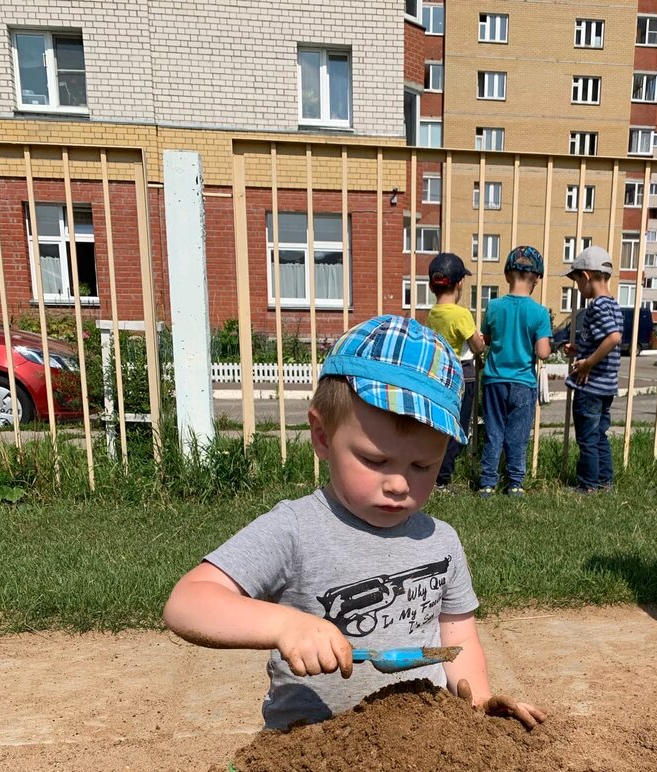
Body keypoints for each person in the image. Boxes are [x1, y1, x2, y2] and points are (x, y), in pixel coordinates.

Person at [164, 314, 546, 730]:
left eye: (423, 465)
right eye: (373, 460)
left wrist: (480, 699)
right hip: (307, 752)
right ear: (323, 436)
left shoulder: (441, 542)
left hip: (424, 747)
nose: (399, 483)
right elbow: (188, 602)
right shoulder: (296, 530)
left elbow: (457, 641)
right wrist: (284, 625)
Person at [478, 245, 552, 497]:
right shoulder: (539, 312)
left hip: (494, 380)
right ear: (537, 279)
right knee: (517, 436)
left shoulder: (494, 307)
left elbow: (486, 339)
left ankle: (487, 483)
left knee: (493, 432)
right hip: (523, 383)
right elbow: (542, 352)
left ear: (507, 275)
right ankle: (515, 483)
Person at [563, 246, 623, 494]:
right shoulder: (613, 305)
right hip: (607, 386)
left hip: (591, 386)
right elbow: (603, 340)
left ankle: (587, 485)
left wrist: (587, 364)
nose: (578, 288)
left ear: (586, 276)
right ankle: (604, 482)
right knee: (600, 435)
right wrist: (580, 349)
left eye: (577, 281)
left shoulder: (596, 306)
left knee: (587, 438)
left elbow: (613, 338)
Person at [425, 252, 485, 490]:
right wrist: (480, 343)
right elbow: (477, 345)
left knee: (440, 426)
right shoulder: (461, 314)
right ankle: (442, 478)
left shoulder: (433, 313)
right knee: (458, 429)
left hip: (440, 374)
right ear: (460, 283)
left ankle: (432, 472)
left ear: (432, 286)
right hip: (463, 375)